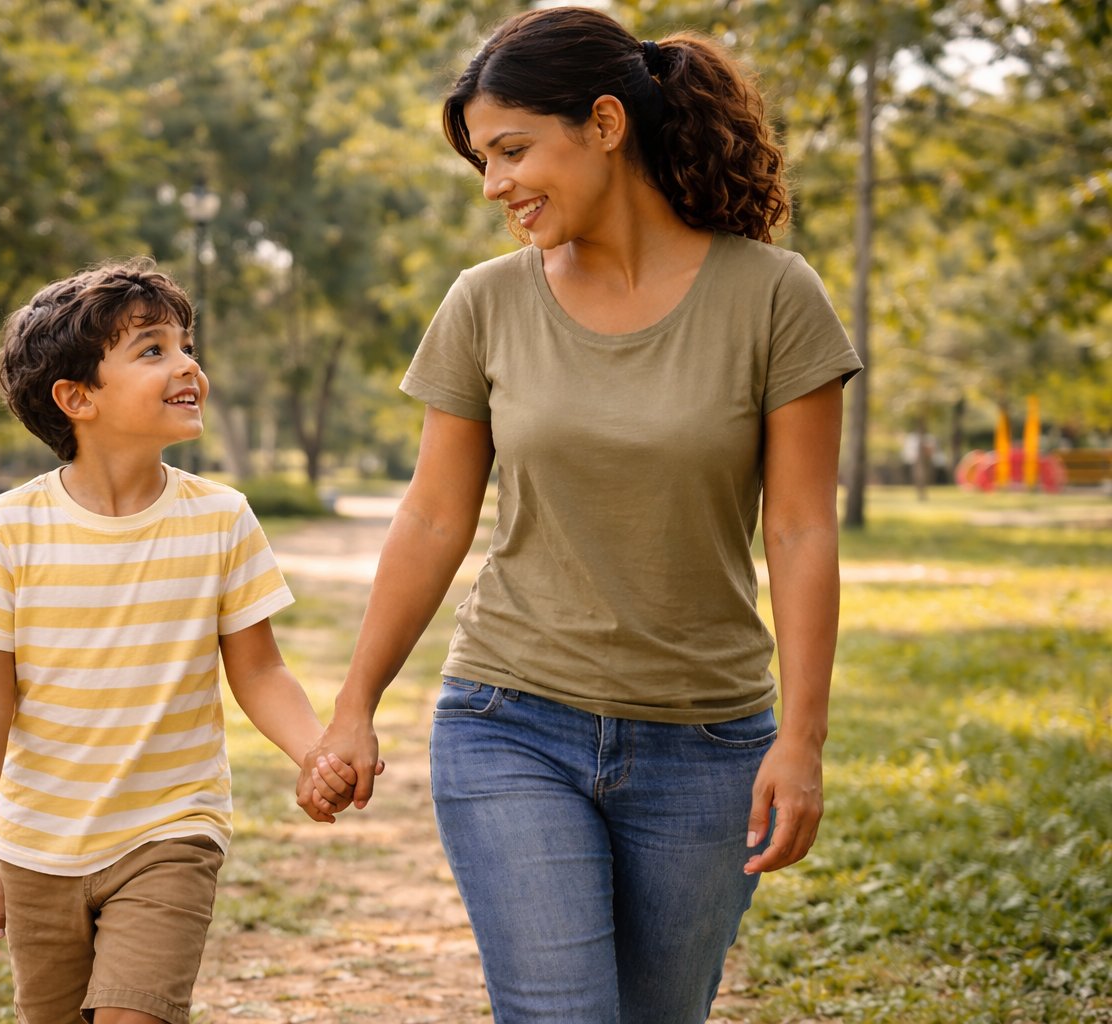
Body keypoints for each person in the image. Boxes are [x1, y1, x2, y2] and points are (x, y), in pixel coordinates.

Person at [299, 7, 863, 1023]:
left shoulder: (775, 298)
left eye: (513, 150)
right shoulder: (484, 303)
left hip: (709, 742)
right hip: (511, 719)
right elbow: (432, 519)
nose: (496, 185)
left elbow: (801, 530)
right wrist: (355, 703)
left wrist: (804, 739)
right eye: (482, 161)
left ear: (605, 123)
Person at [0, 258, 358, 1024]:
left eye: (186, 344)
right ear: (77, 398)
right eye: (153, 349)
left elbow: (260, 672)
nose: (188, 363)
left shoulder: (221, 519)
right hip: (38, 847)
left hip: (171, 829)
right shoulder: (8, 530)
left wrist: (314, 751)